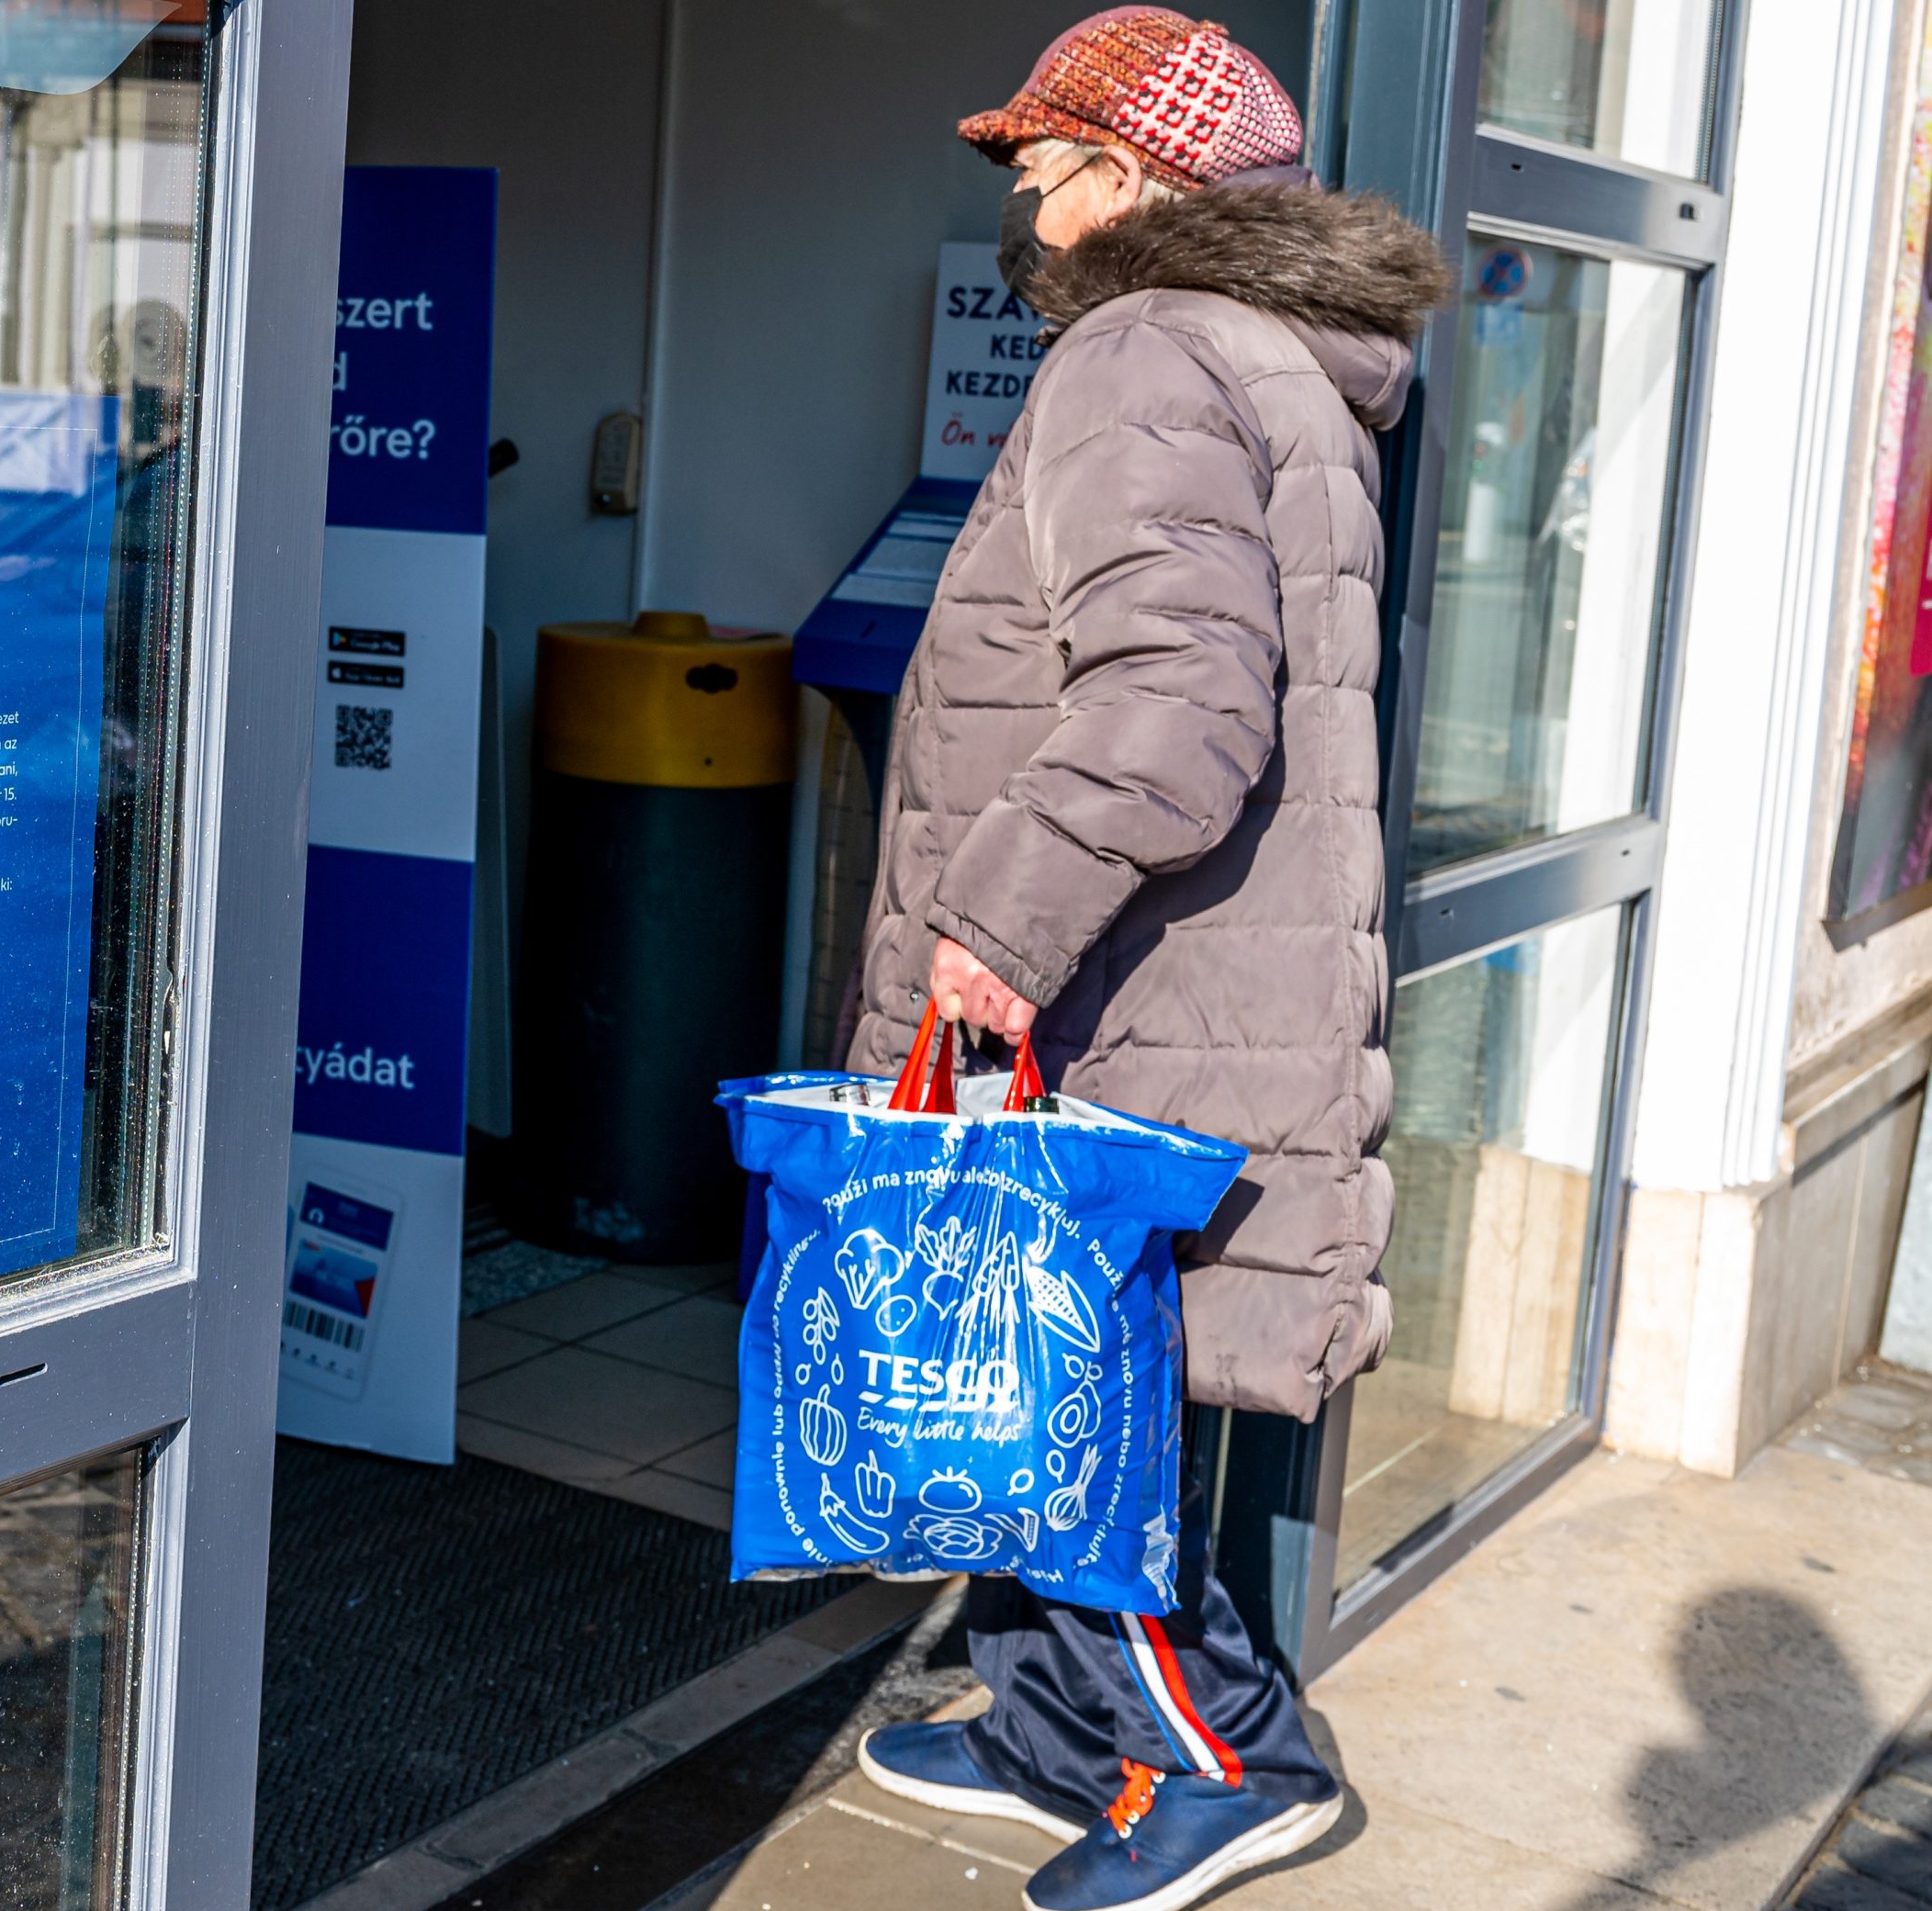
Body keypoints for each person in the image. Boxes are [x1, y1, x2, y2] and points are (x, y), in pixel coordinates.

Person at [841, 13, 1446, 1911]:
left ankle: (1223, 1757)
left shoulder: (1142, 348)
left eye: (1050, 152)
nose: (1021, 184)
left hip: (1123, 985)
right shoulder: (1267, 357)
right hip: (1176, 974)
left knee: (1060, 1382)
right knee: (1045, 1368)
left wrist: (991, 931)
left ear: (1137, 176)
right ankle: (1050, 1723)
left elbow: (1177, 699)